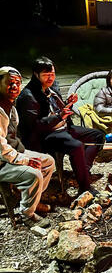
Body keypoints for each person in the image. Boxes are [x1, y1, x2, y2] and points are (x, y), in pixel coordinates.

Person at [16, 56, 104, 196]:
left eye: (52, 74)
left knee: (98, 136)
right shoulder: (28, 95)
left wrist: (68, 104)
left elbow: (57, 109)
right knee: (76, 146)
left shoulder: (51, 87)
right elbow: (35, 125)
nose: (50, 78)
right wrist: (59, 116)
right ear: (36, 74)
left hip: (63, 127)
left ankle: (83, 171)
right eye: (46, 75)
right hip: (46, 134)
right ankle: (85, 187)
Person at [0, 66, 55, 227]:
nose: (14, 87)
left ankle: (32, 201)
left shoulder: (11, 107)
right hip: (2, 162)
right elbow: (2, 149)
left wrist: (24, 155)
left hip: (11, 155)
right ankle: (27, 214)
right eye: (10, 83)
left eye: (18, 83)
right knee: (34, 174)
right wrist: (25, 161)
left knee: (48, 162)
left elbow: (12, 138)